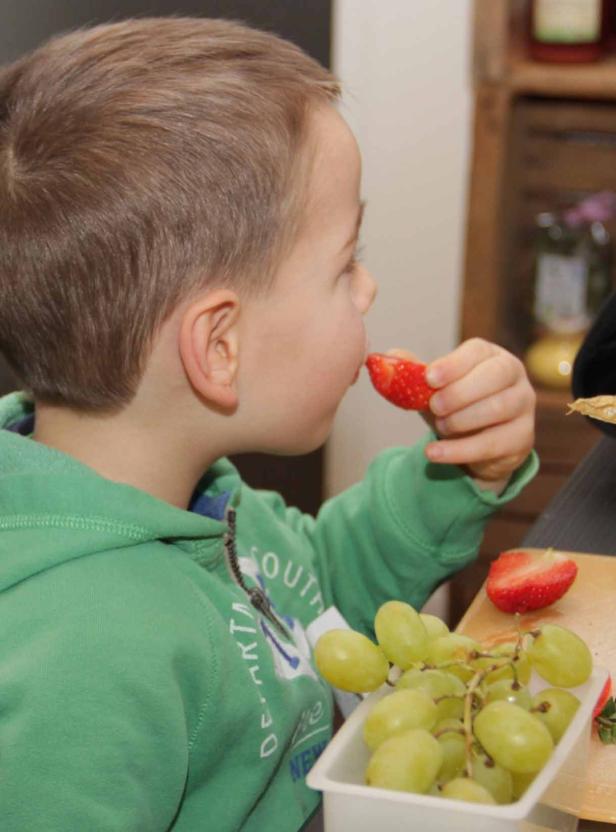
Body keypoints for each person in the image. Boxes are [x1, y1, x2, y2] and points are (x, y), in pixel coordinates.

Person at [0, 17, 537, 832]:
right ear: (220, 347)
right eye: (343, 265)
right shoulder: (86, 662)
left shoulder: (195, 492)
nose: (369, 289)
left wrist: (462, 470)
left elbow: (313, 590)